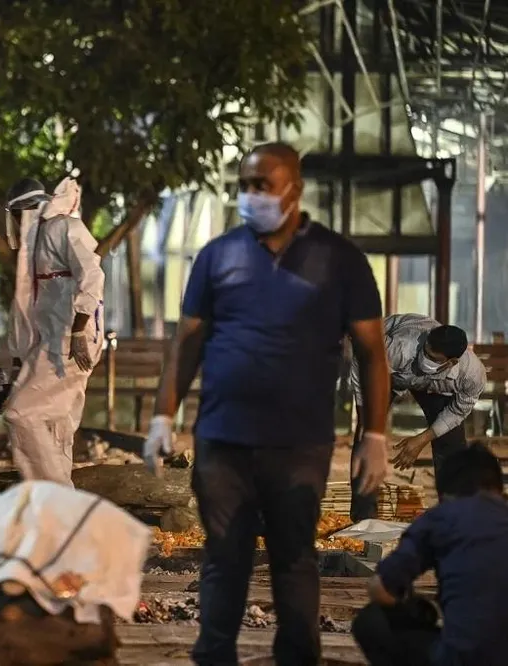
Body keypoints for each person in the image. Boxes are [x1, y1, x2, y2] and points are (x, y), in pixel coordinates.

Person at [143, 142, 392, 665]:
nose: (252, 195)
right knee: (223, 558)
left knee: (293, 559)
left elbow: (372, 353)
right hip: (223, 439)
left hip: (299, 443)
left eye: (264, 185)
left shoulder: (339, 259)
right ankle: (214, 657)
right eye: (246, 184)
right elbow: (188, 341)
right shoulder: (219, 255)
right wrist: (164, 413)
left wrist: (375, 435)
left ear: (294, 190)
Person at [352, 442, 508, 665]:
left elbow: (380, 589)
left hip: (461, 658)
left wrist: (414, 610)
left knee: (372, 621)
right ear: (499, 489)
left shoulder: (440, 518)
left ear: (444, 493)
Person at [2, 175, 105, 486]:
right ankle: (57, 517)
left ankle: (58, 496)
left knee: (20, 414)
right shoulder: (39, 240)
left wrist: (78, 332)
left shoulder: (64, 227)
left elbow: (93, 278)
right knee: (57, 425)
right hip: (52, 341)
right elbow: (32, 305)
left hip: (68, 342)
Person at [349, 314, 486, 521]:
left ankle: (454, 517)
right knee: (366, 438)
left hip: (438, 388)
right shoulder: (400, 347)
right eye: (425, 352)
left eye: (434, 359)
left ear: (452, 362)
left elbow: (458, 412)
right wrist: (364, 416)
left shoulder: (472, 374)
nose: (425, 360)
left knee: (452, 446)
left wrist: (422, 439)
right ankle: (363, 517)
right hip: (389, 373)